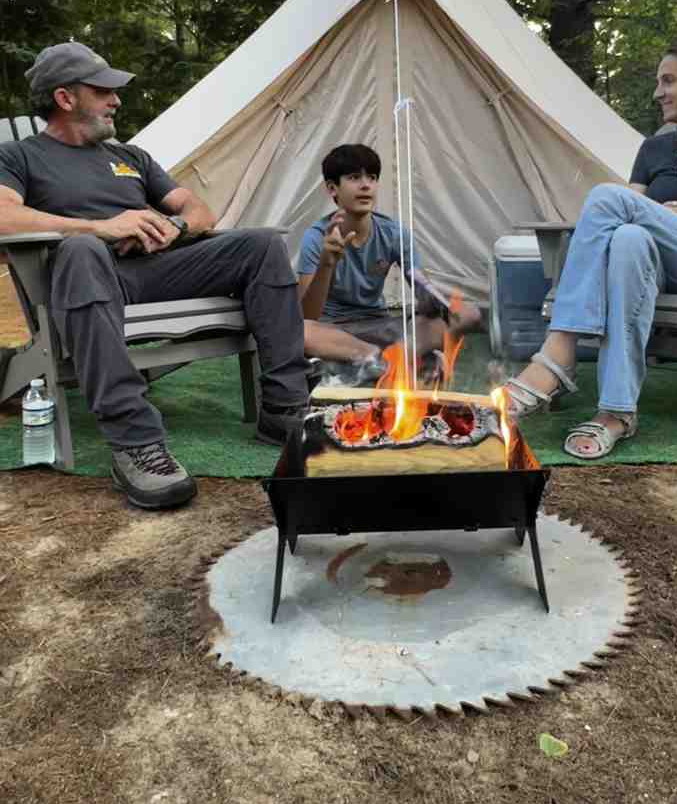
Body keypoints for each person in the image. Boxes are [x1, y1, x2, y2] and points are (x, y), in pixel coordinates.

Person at [0, 42, 343, 510]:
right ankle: (136, 442)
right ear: (65, 98)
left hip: (159, 267)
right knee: (80, 250)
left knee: (261, 243)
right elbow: (3, 216)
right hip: (89, 276)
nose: (115, 100)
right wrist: (98, 228)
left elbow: (198, 208)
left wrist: (175, 227)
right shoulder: (20, 157)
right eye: (104, 91)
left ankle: (284, 409)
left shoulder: (131, 157)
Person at [501, 38, 677, 458]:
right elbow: (620, 218)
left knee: (607, 196)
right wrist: (660, 220)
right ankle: (616, 413)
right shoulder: (655, 148)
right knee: (629, 237)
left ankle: (558, 350)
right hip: (653, 270)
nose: (658, 92)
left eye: (668, 80)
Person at [298, 143, 481, 376]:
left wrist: (433, 301)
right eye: (355, 177)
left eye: (372, 178)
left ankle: (377, 362)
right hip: (333, 330)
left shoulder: (395, 233)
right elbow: (306, 316)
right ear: (332, 188)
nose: (366, 185)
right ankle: (387, 361)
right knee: (300, 332)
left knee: (467, 313)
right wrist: (326, 263)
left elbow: (419, 284)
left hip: (380, 325)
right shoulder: (315, 238)